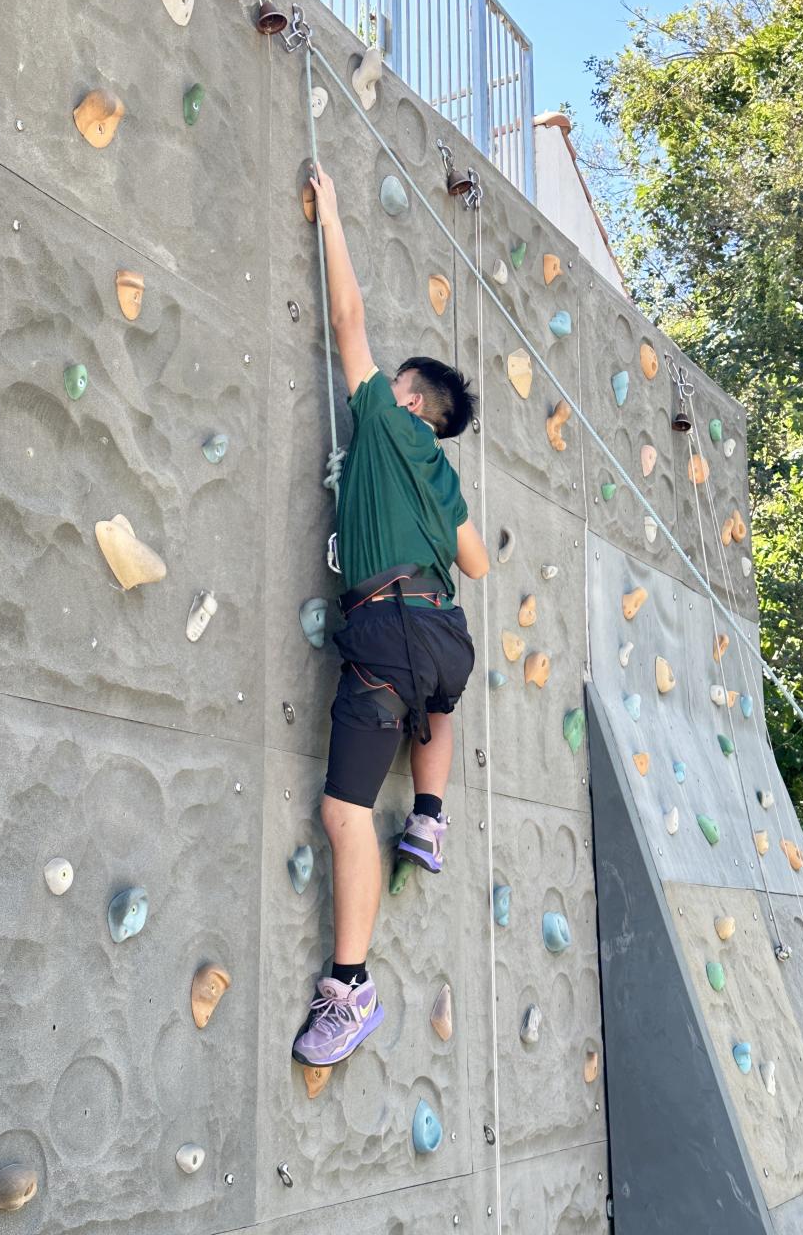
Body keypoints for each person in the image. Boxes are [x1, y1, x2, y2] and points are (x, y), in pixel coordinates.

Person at [291, 163, 490, 1070]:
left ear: (409, 400)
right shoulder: (443, 472)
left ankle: (351, 987)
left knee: (344, 813)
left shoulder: (382, 421)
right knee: (440, 703)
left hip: (389, 632)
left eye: (394, 381)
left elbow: (347, 320)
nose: (382, 382)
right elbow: (477, 561)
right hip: (444, 636)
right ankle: (432, 815)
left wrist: (331, 215)